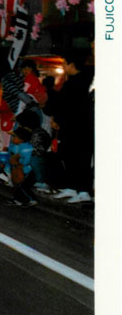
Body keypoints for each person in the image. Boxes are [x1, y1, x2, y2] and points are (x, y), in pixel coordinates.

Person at [50, 50, 94, 204]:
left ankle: (83, 191)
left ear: (72, 64)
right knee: (69, 157)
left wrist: (59, 119)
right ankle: (71, 187)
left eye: (64, 63)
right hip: (71, 126)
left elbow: (71, 106)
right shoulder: (74, 81)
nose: (63, 66)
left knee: (80, 158)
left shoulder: (80, 82)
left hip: (79, 127)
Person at [1, 127, 38, 208]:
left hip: (27, 170)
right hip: (16, 168)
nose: (12, 139)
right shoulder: (15, 145)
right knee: (17, 185)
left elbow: (26, 161)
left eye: (15, 137)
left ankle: (31, 199)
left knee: (23, 186)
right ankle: (17, 199)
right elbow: (11, 152)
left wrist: (18, 161)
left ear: (21, 139)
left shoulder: (27, 148)